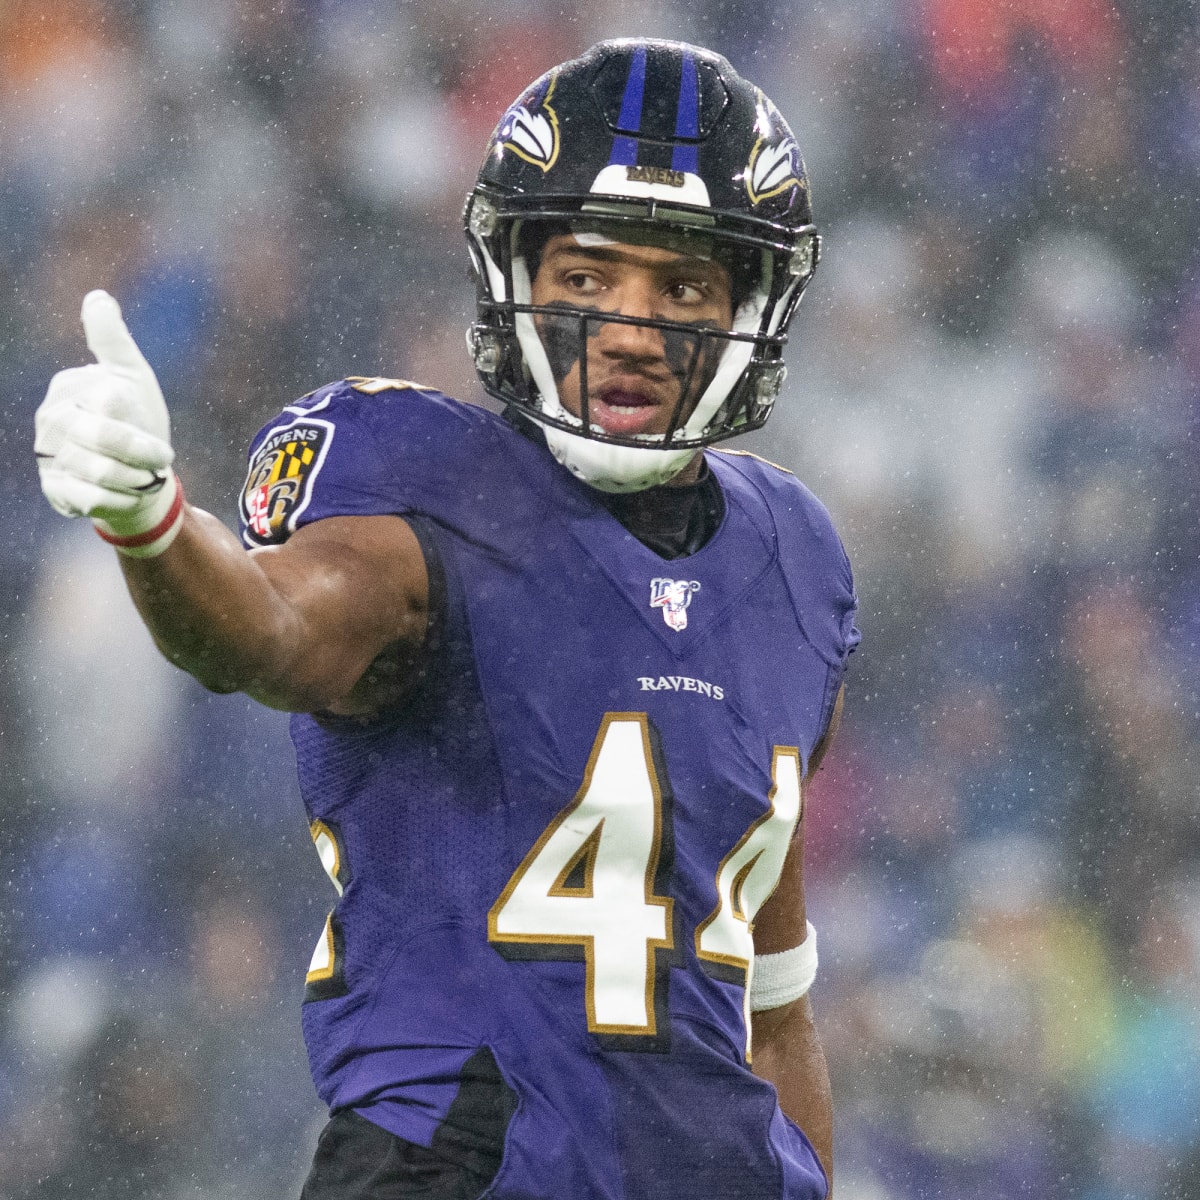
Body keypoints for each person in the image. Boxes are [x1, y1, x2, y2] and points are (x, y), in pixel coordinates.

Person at [34, 39, 859, 1200]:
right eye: (588, 274)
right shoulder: (427, 483)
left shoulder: (796, 557)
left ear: (752, 306)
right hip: (460, 1168)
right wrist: (153, 520)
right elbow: (264, 633)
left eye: (682, 286)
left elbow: (774, 1008)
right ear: (514, 274)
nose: (631, 327)